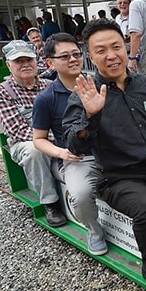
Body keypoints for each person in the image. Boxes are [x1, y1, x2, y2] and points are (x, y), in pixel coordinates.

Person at [62, 18, 146, 291]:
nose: (111, 55)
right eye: (101, 50)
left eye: (116, 46)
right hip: (121, 178)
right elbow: (74, 145)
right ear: (90, 56)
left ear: (126, 47)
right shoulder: (84, 93)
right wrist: (91, 116)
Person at [32, 33, 107, 256]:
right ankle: (95, 232)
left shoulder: (99, 82)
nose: (73, 59)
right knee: (81, 194)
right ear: (50, 62)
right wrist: (62, 153)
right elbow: (39, 139)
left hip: (109, 152)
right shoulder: (45, 99)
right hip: (78, 157)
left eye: (76, 54)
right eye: (65, 56)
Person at [0, 40, 66, 227]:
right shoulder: (2, 92)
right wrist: (53, 141)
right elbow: (17, 129)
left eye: (29, 59)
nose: (25, 64)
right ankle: (50, 203)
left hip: (56, 137)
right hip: (25, 142)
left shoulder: (51, 85)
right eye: (19, 61)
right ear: (9, 65)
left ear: (37, 61)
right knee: (35, 151)